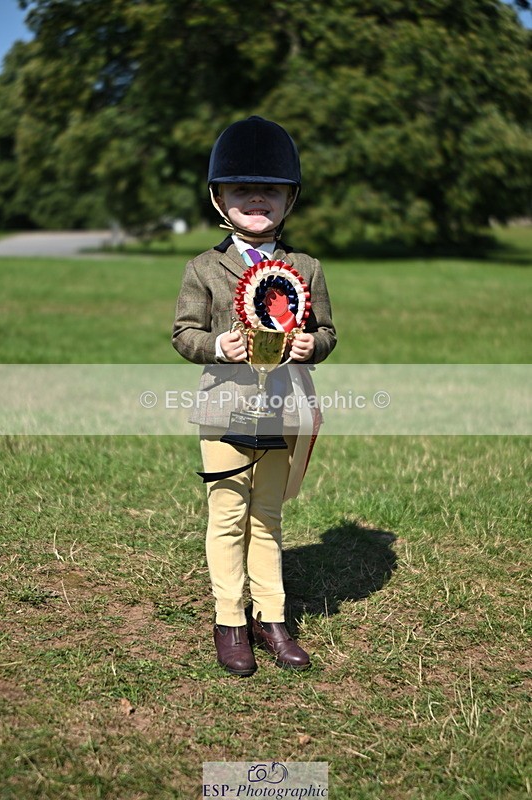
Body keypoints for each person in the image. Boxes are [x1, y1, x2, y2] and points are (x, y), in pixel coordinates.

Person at [172, 116, 336, 676]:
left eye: (271, 190)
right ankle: (229, 621)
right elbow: (184, 334)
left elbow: (327, 332)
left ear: (290, 199)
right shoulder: (203, 268)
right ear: (219, 198)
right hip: (223, 410)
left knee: (267, 516)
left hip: (283, 409)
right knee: (227, 515)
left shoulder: (306, 267)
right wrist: (219, 345)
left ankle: (272, 617)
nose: (257, 198)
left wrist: (313, 344)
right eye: (242, 189)